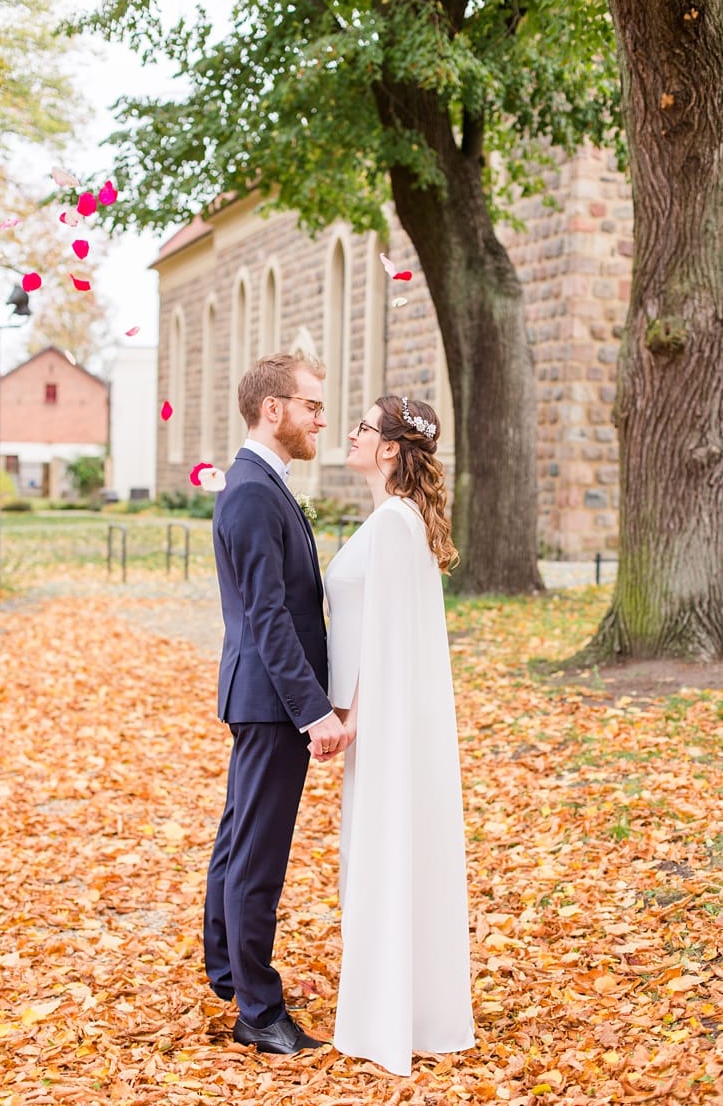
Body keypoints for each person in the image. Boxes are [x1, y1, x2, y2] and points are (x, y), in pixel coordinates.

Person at [205, 351, 351, 1055]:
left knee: (239, 842)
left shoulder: (259, 484)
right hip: (270, 701)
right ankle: (258, 1011)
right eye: (312, 405)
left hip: (260, 698)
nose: (321, 417)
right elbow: (268, 616)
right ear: (274, 409)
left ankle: (229, 969)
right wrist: (313, 710)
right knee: (257, 857)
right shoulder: (255, 493)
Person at [324, 396, 475, 1074]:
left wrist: (348, 716)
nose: (351, 433)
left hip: (381, 721)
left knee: (380, 850)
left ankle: (385, 1017)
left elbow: (380, 631)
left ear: (389, 448)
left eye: (362, 426)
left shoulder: (392, 523)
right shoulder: (399, 519)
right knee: (386, 850)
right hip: (392, 714)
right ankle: (406, 1007)